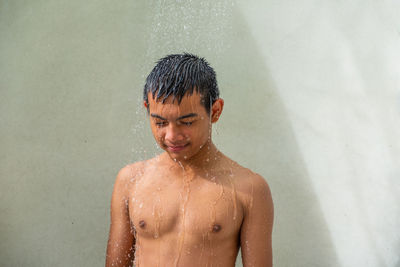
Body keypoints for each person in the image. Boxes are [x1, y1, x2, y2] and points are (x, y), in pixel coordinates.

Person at [105, 53, 274, 267]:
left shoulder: (248, 189)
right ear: (147, 109)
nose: (171, 135)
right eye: (160, 123)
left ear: (215, 111)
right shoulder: (131, 180)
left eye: (186, 122)